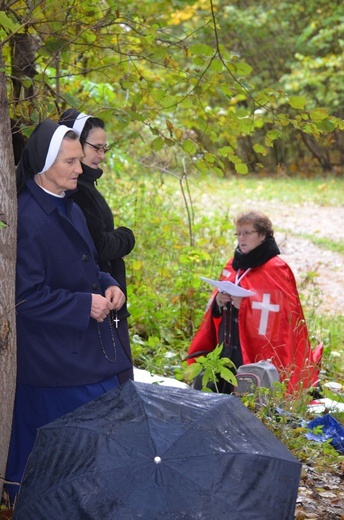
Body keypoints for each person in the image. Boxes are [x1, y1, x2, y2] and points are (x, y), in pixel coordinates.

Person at [5, 119, 133, 502]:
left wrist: (108, 284)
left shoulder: (69, 206)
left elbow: (87, 265)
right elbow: (24, 297)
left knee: (93, 449)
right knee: (53, 463)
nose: (81, 169)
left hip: (83, 348)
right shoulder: (27, 218)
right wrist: (83, 304)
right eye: (71, 162)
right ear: (45, 164)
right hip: (52, 361)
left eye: (80, 160)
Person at [187, 210, 323, 393]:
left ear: (263, 235)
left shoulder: (276, 269)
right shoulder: (232, 264)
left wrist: (244, 306)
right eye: (238, 234)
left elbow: (283, 317)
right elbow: (215, 309)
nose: (241, 239)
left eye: (247, 233)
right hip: (227, 344)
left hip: (257, 350)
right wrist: (218, 302)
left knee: (251, 396)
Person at [59, 109, 135, 384]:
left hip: (107, 293)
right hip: (97, 301)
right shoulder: (77, 190)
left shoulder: (86, 185)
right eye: (97, 147)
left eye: (105, 148)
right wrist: (127, 237)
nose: (102, 155)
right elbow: (98, 246)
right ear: (74, 142)